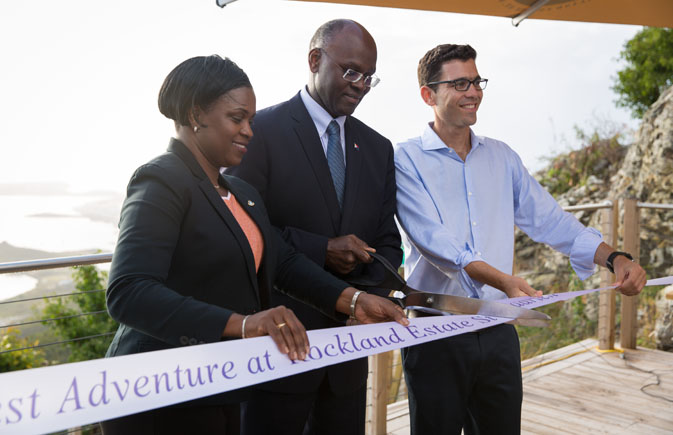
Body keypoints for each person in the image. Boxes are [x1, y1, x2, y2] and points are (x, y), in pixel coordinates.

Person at [100, 55, 407, 435]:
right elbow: (129, 292)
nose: (249, 130)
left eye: (250, 119)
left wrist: (355, 301)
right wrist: (243, 325)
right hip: (160, 392)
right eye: (237, 118)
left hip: (223, 385)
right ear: (197, 115)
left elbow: (285, 264)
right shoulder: (161, 180)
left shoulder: (240, 192)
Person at [394, 44, 648, 435]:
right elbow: (435, 242)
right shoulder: (405, 159)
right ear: (428, 94)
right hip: (435, 332)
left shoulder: (502, 157)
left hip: (498, 329)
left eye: (477, 81)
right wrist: (504, 281)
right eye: (460, 83)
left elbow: (551, 221)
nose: (474, 91)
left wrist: (615, 257)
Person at [226, 19, 402, 435]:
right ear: (314, 59)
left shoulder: (378, 148)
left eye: (369, 78)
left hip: (349, 358)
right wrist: (320, 249)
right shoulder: (258, 133)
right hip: (277, 355)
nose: (360, 85)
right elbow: (245, 233)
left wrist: (366, 298)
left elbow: (389, 242)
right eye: (351, 71)